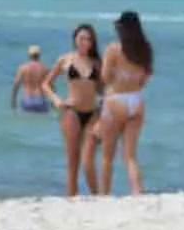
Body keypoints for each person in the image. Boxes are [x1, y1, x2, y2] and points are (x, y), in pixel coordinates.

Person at [98, 11, 154, 195]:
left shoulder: (113, 49)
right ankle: (137, 192)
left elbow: (105, 78)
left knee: (107, 156)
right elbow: (144, 80)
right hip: (136, 100)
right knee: (130, 156)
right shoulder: (146, 50)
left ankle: (104, 195)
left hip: (116, 99)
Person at [43, 24, 102, 197]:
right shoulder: (65, 60)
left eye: (88, 39)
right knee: (73, 162)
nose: (85, 42)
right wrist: (56, 100)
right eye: (81, 38)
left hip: (93, 114)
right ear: (75, 39)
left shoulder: (97, 63)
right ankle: (72, 199)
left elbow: (104, 90)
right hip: (71, 112)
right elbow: (46, 84)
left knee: (88, 161)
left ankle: (98, 197)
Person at [11, 45, 50, 112]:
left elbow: (16, 85)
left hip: (27, 100)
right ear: (39, 55)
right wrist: (53, 102)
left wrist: (13, 101)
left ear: (28, 55)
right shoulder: (45, 68)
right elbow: (51, 87)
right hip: (41, 100)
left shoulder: (22, 68)